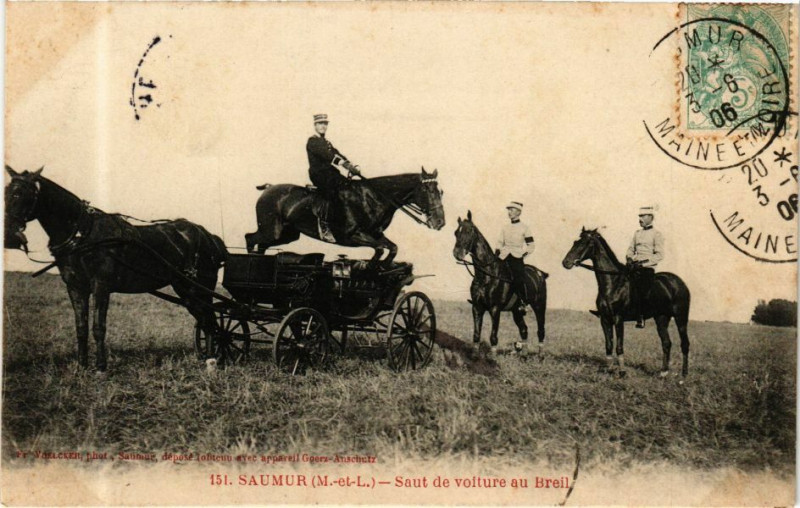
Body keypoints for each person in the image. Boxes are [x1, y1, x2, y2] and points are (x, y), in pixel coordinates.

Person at [306, 114, 361, 242]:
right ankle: (324, 226)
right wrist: (345, 165)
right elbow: (328, 156)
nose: (323, 126)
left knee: (349, 188)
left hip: (331, 173)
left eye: (325, 124)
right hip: (320, 175)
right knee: (331, 193)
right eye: (320, 124)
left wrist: (351, 165)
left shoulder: (326, 142)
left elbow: (337, 154)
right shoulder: (313, 141)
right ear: (315, 126)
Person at [626, 205, 664, 328]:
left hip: (647, 268)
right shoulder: (637, 233)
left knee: (641, 287)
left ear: (650, 217)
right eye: (639, 216)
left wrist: (642, 263)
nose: (640, 219)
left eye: (643, 216)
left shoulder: (656, 234)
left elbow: (659, 255)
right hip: (634, 266)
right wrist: (630, 259)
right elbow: (630, 250)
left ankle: (641, 316)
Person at [496, 201, 535, 314]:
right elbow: (499, 242)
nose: (509, 212)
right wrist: (498, 251)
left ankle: (522, 302)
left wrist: (522, 255)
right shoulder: (505, 227)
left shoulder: (525, 228)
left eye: (512, 210)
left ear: (518, 212)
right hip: (504, 256)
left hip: (517, 257)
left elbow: (531, 245)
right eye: (508, 210)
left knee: (519, 278)